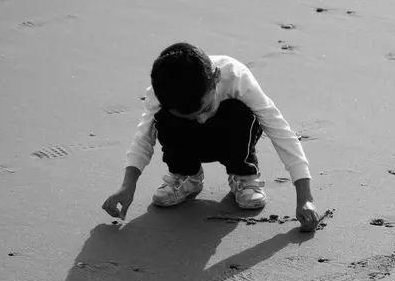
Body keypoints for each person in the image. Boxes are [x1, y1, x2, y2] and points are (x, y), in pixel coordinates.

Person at [102, 42, 321, 232]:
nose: (202, 121)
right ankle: (186, 175)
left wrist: (305, 198)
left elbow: (280, 131)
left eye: (206, 108)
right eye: (193, 116)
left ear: (216, 78)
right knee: (162, 119)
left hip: (233, 136)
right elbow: (143, 138)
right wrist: (127, 186)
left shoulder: (236, 77)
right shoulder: (161, 92)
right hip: (186, 144)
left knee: (241, 112)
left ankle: (243, 176)